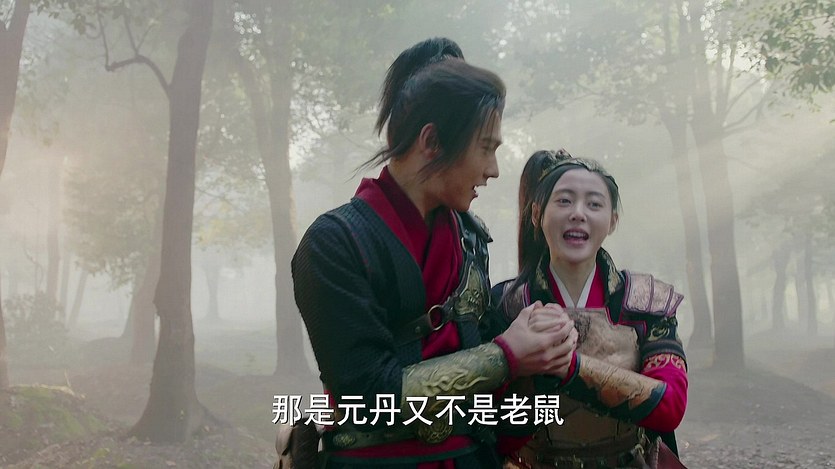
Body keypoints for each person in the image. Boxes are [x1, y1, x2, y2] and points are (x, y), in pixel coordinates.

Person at [289, 38, 577, 468]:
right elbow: (367, 395)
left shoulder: (469, 237)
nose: (494, 170)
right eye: (486, 148)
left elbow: (485, 372)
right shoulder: (334, 242)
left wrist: (541, 343)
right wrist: (506, 355)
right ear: (432, 140)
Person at [489, 151, 688, 468]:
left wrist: (568, 366)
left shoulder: (645, 303)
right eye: (564, 201)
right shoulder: (505, 304)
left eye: (594, 204)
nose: (578, 213)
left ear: (612, 221)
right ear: (537, 214)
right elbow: (490, 428)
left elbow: (670, 406)